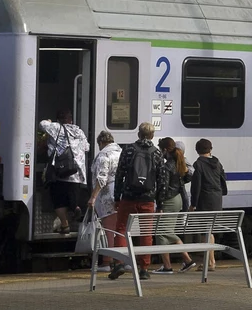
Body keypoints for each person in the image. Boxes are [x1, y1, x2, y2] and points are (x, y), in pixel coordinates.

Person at [111, 122, 168, 281]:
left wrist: (117, 197)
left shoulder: (128, 150)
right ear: (152, 136)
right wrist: (160, 204)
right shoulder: (157, 153)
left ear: (138, 134)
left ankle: (120, 263)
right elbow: (162, 181)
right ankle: (144, 268)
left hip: (128, 196)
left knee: (121, 229)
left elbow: (119, 175)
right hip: (147, 199)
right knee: (145, 232)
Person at [38, 109, 89, 235]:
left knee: (58, 199)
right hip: (76, 173)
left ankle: (65, 225)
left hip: (60, 171)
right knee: (71, 196)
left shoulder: (56, 128)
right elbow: (87, 147)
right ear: (71, 119)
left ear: (59, 120)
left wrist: (49, 122)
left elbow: (41, 124)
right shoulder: (79, 131)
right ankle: (75, 207)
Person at [152, 137, 197, 274]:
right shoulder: (179, 163)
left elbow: (163, 188)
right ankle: (168, 266)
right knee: (164, 233)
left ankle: (185, 261)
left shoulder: (167, 166)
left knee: (163, 232)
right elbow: (188, 178)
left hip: (169, 200)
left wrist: (159, 205)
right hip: (178, 199)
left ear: (165, 150)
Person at [190, 138, 227, 271]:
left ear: (197, 150)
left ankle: (211, 262)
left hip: (205, 200)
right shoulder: (217, 163)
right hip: (217, 199)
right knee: (209, 232)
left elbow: (196, 186)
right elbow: (223, 179)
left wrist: (193, 204)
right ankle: (211, 261)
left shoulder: (198, 164)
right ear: (210, 149)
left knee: (206, 232)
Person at [88, 130, 122, 272]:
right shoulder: (121, 152)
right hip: (120, 193)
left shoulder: (104, 155)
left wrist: (93, 196)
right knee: (120, 230)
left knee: (109, 230)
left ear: (101, 143)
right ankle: (123, 260)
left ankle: (108, 262)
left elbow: (102, 178)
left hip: (107, 195)